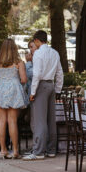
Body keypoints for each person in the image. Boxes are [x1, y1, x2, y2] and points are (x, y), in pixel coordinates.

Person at [24, 30, 63, 161]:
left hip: (41, 85)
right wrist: (58, 90)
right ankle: (51, 150)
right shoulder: (54, 52)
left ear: (36, 40)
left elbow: (36, 75)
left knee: (39, 120)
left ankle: (38, 151)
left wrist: (33, 92)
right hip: (51, 86)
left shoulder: (38, 54)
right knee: (51, 120)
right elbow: (60, 73)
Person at [0, 38, 28, 159]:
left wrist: (2, 80)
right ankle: (15, 150)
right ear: (14, 48)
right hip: (14, 90)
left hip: (0, 89)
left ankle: (3, 150)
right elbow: (24, 79)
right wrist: (14, 80)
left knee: (2, 121)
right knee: (12, 121)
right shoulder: (18, 62)